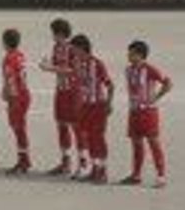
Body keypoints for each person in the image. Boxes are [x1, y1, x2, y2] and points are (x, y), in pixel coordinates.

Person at [122, 40, 173, 188]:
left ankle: (161, 175)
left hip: (148, 112)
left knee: (153, 143)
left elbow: (168, 83)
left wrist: (155, 97)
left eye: (132, 54)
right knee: (136, 144)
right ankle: (136, 175)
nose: (129, 56)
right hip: (134, 111)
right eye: (129, 53)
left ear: (140, 55)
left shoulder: (150, 69)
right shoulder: (128, 70)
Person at [39, 18, 80, 176]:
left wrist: (50, 68)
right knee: (61, 125)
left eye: (54, 33)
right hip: (60, 91)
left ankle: (83, 161)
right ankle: (65, 162)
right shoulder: (56, 48)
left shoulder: (73, 49)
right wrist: (49, 64)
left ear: (60, 33)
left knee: (76, 127)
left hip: (73, 92)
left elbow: (74, 70)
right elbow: (57, 66)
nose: (52, 36)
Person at [70, 34, 114, 184]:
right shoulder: (78, 64)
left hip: (98, 105)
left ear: (82, 48)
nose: (73, 52)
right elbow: (79, 84)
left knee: (98, 138)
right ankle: (95, 168)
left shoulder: (97, 64)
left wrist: (109, 104)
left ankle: (103, 171)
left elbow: (110, 85)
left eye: (74, 49)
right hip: (85, 106)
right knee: (88, 137)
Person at [2, 28, 32, 175]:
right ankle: (24, 159)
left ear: (5, 42)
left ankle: (23, 160)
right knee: (20, 128)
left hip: (17, 97)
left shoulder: (9, 58)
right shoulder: (20, 55)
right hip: (24, 93)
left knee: (18, 128)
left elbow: (10, 78)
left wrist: (7, 94)